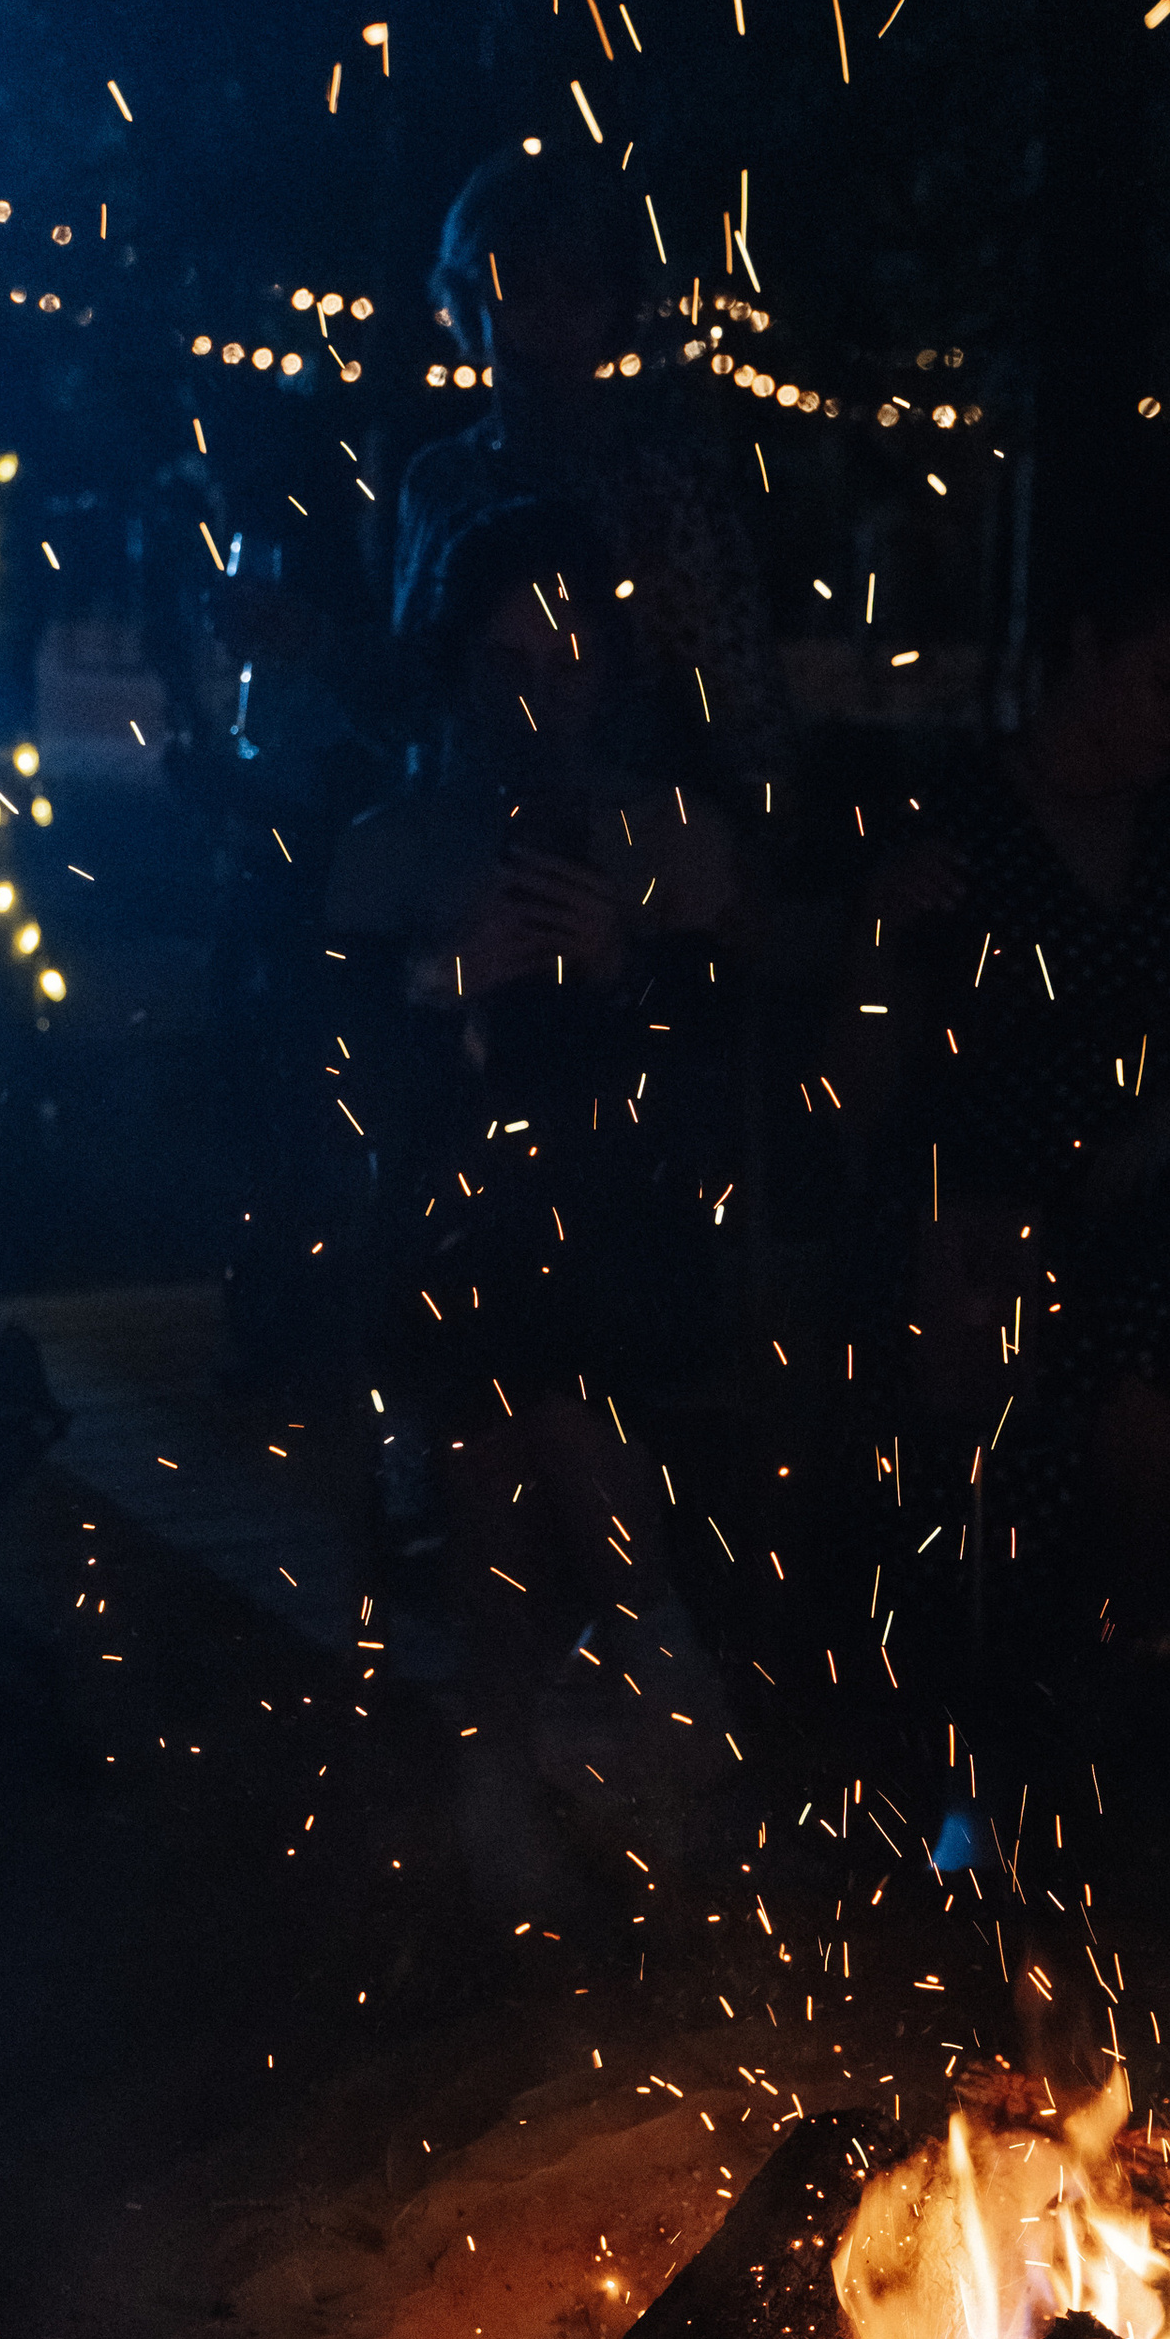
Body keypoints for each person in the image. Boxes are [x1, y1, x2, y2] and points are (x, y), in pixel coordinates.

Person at [328, 499, 745, 1906]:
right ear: (456, 674)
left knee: (514, 1365)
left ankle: (497, 1773)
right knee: (505, 1337)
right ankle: (655, 1656)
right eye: (505, 666)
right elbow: (330, 1090)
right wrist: (447, 982)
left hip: (629, 1234)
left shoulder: (669, 833)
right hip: (456, 1234)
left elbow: (712, 1086)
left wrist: (625, 965)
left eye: (565, 661)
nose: (537, 697)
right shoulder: (397, 844)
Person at [853, 518, 1170, 1625]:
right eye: (1169, 685)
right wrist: (873, 929)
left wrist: (1169, 1125)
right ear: (1090, 649)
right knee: (982, 1294)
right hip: (984, 1191)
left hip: (1160, 1184)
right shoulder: (962, 819)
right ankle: (972, 1655)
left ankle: (1119, 1672)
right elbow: (867, 1071)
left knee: (1161, 1334)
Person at [392, 144, 787, 811]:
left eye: (576, 285)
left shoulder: (666, 487)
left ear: (613, 301)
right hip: (464, 848)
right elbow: (415, 695)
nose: (550, 317)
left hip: (631, 858)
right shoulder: (442, 482)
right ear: (470, 302)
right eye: (518, 283)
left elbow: (742, 716)